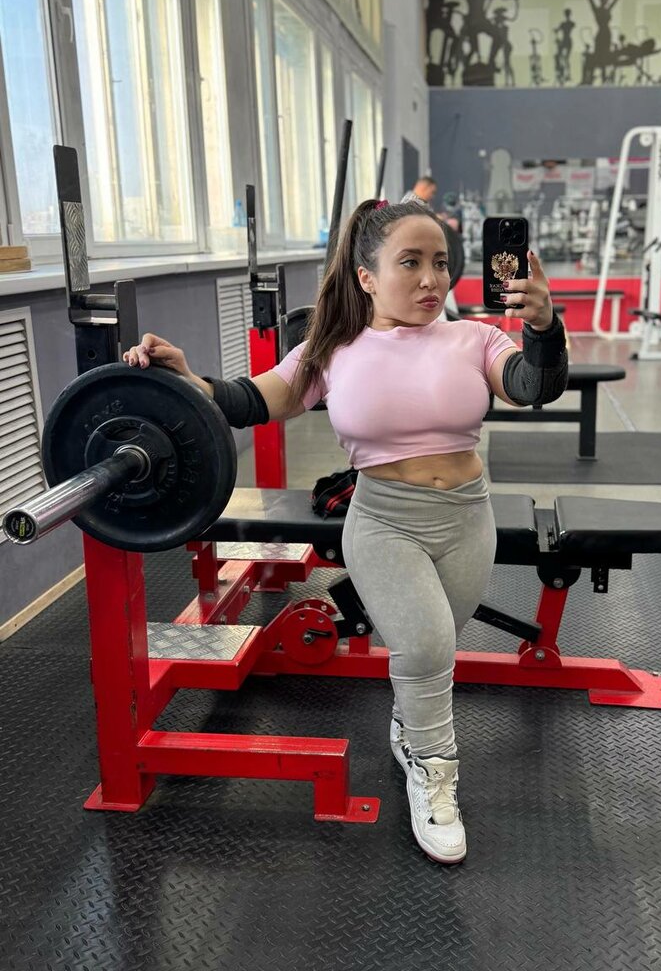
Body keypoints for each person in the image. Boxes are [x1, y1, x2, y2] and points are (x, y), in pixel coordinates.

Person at [122, 197, 569, 865]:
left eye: (439, 263)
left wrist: (543, 327)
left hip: (467, 520)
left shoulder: (474, 338)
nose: (430, 279)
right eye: (409, 263)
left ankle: (409, 730)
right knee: (425, 647)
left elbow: (534, 386)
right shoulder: (332, 350)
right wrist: (190, 381)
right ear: (366, 277)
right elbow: (252, 400)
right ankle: (434, 775)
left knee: (432, 649)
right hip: (385, 519)